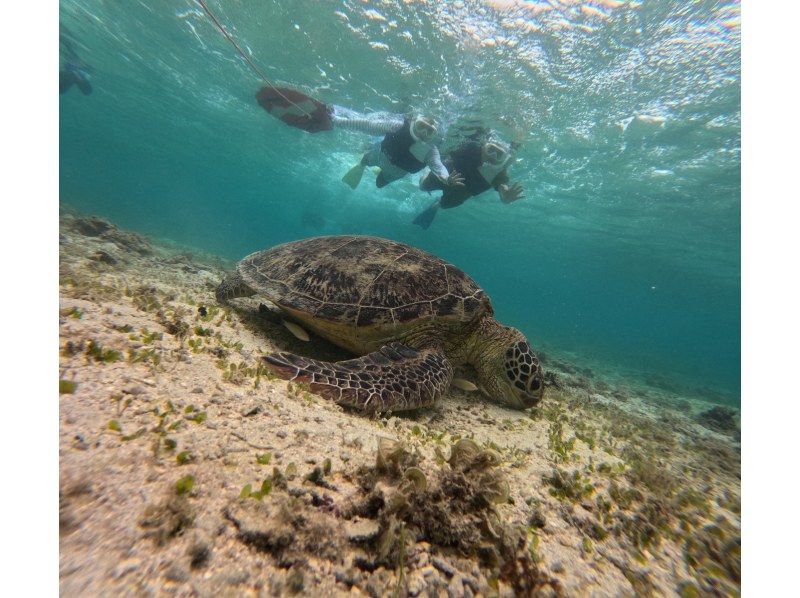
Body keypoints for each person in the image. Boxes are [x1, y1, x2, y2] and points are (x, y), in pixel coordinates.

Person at [256, 87, 464, 190]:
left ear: (434, 135)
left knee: (380, 184)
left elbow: (438, 167)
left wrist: (446, 179)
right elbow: (365, 124)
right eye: (422, 127)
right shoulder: (396, 125)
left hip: (396, 172)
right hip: (378, 155)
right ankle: (363, 164)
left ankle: (375, 171)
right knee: (365, 160)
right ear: (414, 122)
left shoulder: (431, 150)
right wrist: (336, 120)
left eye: (429, 131)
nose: (423, 133)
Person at [412, 137, 524, 229]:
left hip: (464, 190)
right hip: (447, 174)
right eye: (491, 150)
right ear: (484, 146)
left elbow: (502, 187)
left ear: (504, 158)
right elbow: (447, 149)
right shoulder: (469, 147)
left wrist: (504, 197)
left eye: (499, 154)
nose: (492, 156)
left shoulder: (500, 173)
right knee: (423, 187)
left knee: (445, 205)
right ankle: (427, 171)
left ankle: (437, 204)